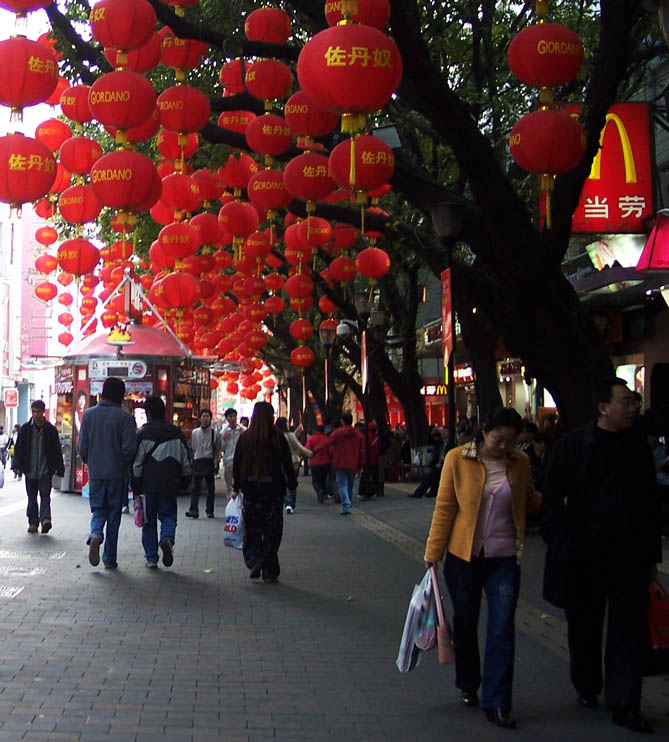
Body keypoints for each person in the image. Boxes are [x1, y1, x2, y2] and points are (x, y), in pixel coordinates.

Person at [541, 378, 662, 734]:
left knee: (628, 628)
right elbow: (551, 497)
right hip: (584, 553)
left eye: (634, 402)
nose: (632, 408)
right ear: (603, 407)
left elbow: (649, 505)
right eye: (625, 401)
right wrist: (559, 539)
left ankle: (624, 702)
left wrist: (651, 555)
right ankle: (587, 685)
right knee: (585, 625)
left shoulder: (637, 448)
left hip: (629, 554)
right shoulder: (574, 446)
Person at [424, 407, 541, 729]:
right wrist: (433, 552)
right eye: (498, 439)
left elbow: (528, 501)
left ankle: (498, 701)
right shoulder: (457, 458)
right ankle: (468, 682)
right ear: (484, 431)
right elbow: (445, 507)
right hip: (463, 557)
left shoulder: (520, 463)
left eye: (510, 442)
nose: (503, 447)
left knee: (502, 628)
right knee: (465, 622)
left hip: (504, 558)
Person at [232, 401, 297, 583]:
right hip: (274, 492)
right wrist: (292, 485)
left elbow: (237, 465)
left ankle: (255, 560)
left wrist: (236, 488)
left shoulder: (245, 438)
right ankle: (269, 568)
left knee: (252, 530)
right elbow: (287, 465)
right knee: (272, 531)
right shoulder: (278, 437)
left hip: (251, 492)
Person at [78, 377, 137, 569]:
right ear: (121, 395)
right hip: (117, 475)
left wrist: (92, 461)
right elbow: (129, 449)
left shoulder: (88, 415)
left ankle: (95, 534)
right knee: (114, 516)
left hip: (96, 473)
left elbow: (82, 448)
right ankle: (109, 558)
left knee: (98, 510)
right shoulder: (126, 418)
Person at [132, 397, 191, 569]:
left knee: (148, 520)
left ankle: (151, 558)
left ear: (148, 413)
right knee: (168, 515)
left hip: (148, 483)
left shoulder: (143, 434)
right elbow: (185, 460)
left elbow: (137, 463)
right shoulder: (176, 432)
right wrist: (186, 479)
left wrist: (135, 485)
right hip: (169, 482)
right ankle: (167, 538)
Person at [13, 401, 65, 534]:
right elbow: (19, 448)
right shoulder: (25, 429)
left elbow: (56, 450)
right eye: (33, 411)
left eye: (38, 411)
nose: (35, 414)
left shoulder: (50, 430)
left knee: (45, 495)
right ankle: (33, 522)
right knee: (31, 497)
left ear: (43, 412)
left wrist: (59, 468)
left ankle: (46, 520)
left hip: (45, 470)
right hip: (30, 469)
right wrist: (16, 465)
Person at [315, 412, 365, 516]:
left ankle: (346, 505)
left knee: (342, 483)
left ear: (342, 421)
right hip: (353, 462)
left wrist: (315, 450)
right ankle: (348, 502)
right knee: (350, 483)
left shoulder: (338, 433)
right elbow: (362, 451)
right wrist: (361, 465)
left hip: (340, 461)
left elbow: (327, 443)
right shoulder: (358, 435)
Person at [185, 408, 221, 519]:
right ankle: (193, 510)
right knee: (195, 487)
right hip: (198, 460)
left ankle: (209, 510)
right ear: (200, 419)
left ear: (210, 418)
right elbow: (193, 447)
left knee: (211, 488)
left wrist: (216, 463)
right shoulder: (195, 433)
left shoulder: (215, 433)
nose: (205, 419)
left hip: (209, 460)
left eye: (207, 416)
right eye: (203, 416)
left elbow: (217, 449)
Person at [275, 417, 312, 514]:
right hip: (293, 462)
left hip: (279, 463)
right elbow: (299, 447)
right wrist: (310, 453)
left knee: (283, 483)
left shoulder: (275, 436)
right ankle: (290, 504)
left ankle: (287, 502)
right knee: (292, 483)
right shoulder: (290, 436)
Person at [408, 427, 444, 498]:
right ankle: (431, 491)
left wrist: (440, 463)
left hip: (442, 465)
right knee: (431, 474)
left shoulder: (445, 444)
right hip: (437, 464)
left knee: (430, 476)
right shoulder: (437, 443)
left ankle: (420, 493)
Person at [220, 408, 244, 500]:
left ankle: (240, 498)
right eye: (231, 416)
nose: (233, 418)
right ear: (227, 419)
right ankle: (230, 499)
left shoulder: (243, 430)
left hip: (241, 459)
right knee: (229, 482)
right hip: (228, 459)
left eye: (234, 416)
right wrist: (224, 440)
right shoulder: (223, 433)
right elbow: (221, 448)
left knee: (240, 479)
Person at [305, 425, 331, 503]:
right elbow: (331, 451)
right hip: (326, 462)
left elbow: (307, 450)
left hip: (315, 462)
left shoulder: (312, 438)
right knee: (323, 479)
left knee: (315, 481)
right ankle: (323, 493)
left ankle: (319, 490)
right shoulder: (327, 439)